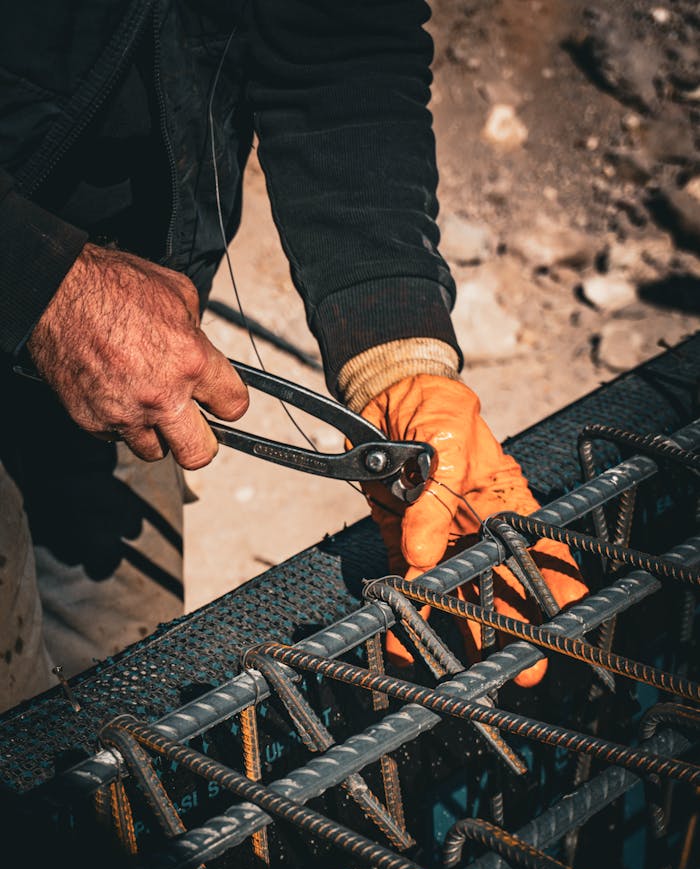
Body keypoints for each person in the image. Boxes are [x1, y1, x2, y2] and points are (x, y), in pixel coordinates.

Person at [0, 0, 585, 713]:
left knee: (131, 687)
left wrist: (394, 353)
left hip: (140, 359)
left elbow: (334, 42)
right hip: (87, 307)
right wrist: (40, 277)